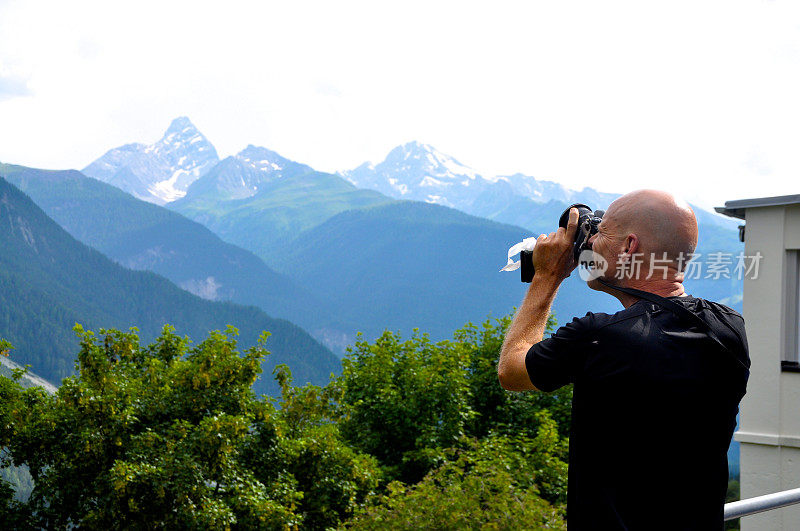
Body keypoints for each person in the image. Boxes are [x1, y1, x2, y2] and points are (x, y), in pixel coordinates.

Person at [497, 190, 749, 530]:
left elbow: (512, 371)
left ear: (630, 247)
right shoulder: (729, 328)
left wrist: (547, 275)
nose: (591, 242)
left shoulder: (602, 337)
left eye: (601, 233)